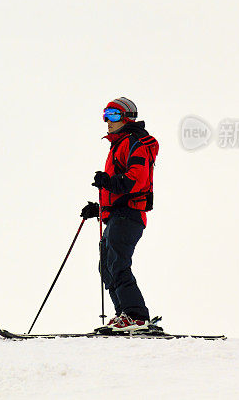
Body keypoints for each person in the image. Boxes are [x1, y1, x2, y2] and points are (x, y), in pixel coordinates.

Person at [80, 97, 159, 331]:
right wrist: (100, 208)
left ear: (126, 118)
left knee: (117, 263)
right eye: (105, 115)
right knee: (106, 266)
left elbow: (136, 179)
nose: (107, 121)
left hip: (130, 214)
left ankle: (136, 316)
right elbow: (119, 187)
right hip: (117, 215)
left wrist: (109, 183)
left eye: (113, 115)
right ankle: (125, 315)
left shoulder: (136, 142)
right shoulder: (119, 144)